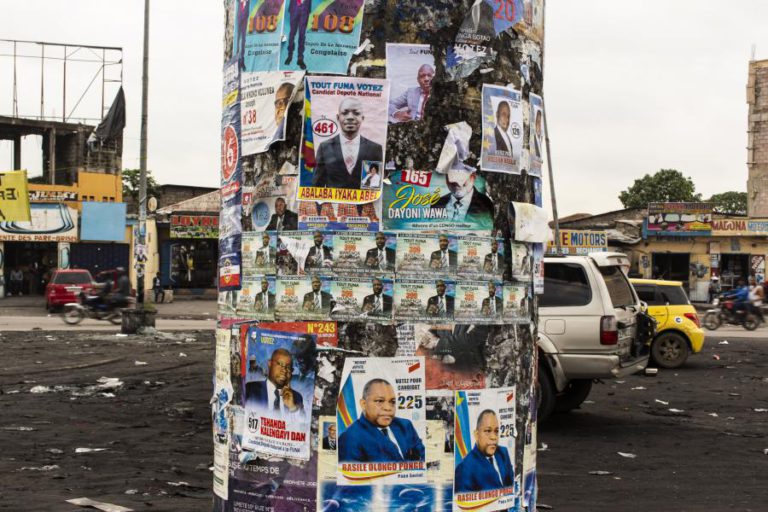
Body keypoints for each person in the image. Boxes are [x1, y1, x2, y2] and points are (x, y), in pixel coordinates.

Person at [338, 378, 425, 462]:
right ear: (364, 404)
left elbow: (424, 457)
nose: (388, 408)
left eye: (392, 402)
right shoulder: (349, 439)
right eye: (379, 401)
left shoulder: (405, 425)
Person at [312, 97, 384, 190]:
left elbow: (374, 185)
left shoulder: (375, 149)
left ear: (362, 118)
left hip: (363, 203)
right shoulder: (325, 147)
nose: (350, 117)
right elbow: (316, 186)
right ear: (338, 118)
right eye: (345, 113)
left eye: (356, 113)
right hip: (334, 204)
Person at [454, 409, 515, 493]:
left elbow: (512, 484)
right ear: (476, 435)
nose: (493, 437)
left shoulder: (503, 453)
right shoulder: (464, 469)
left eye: (496, 431)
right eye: (488, 431)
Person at [245, 348, 304, 417]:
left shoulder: (297, 397)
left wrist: (293, 408)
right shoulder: (250, 389)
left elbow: (302, 424)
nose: (284, 370)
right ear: (269, 364)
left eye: (288, 367)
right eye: (280, 364)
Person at [284, 0, 312, 70]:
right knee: (292, 33)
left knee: (302, 34)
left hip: (305, 8)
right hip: (294, 7)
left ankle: (300, 59)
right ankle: (290, 55)